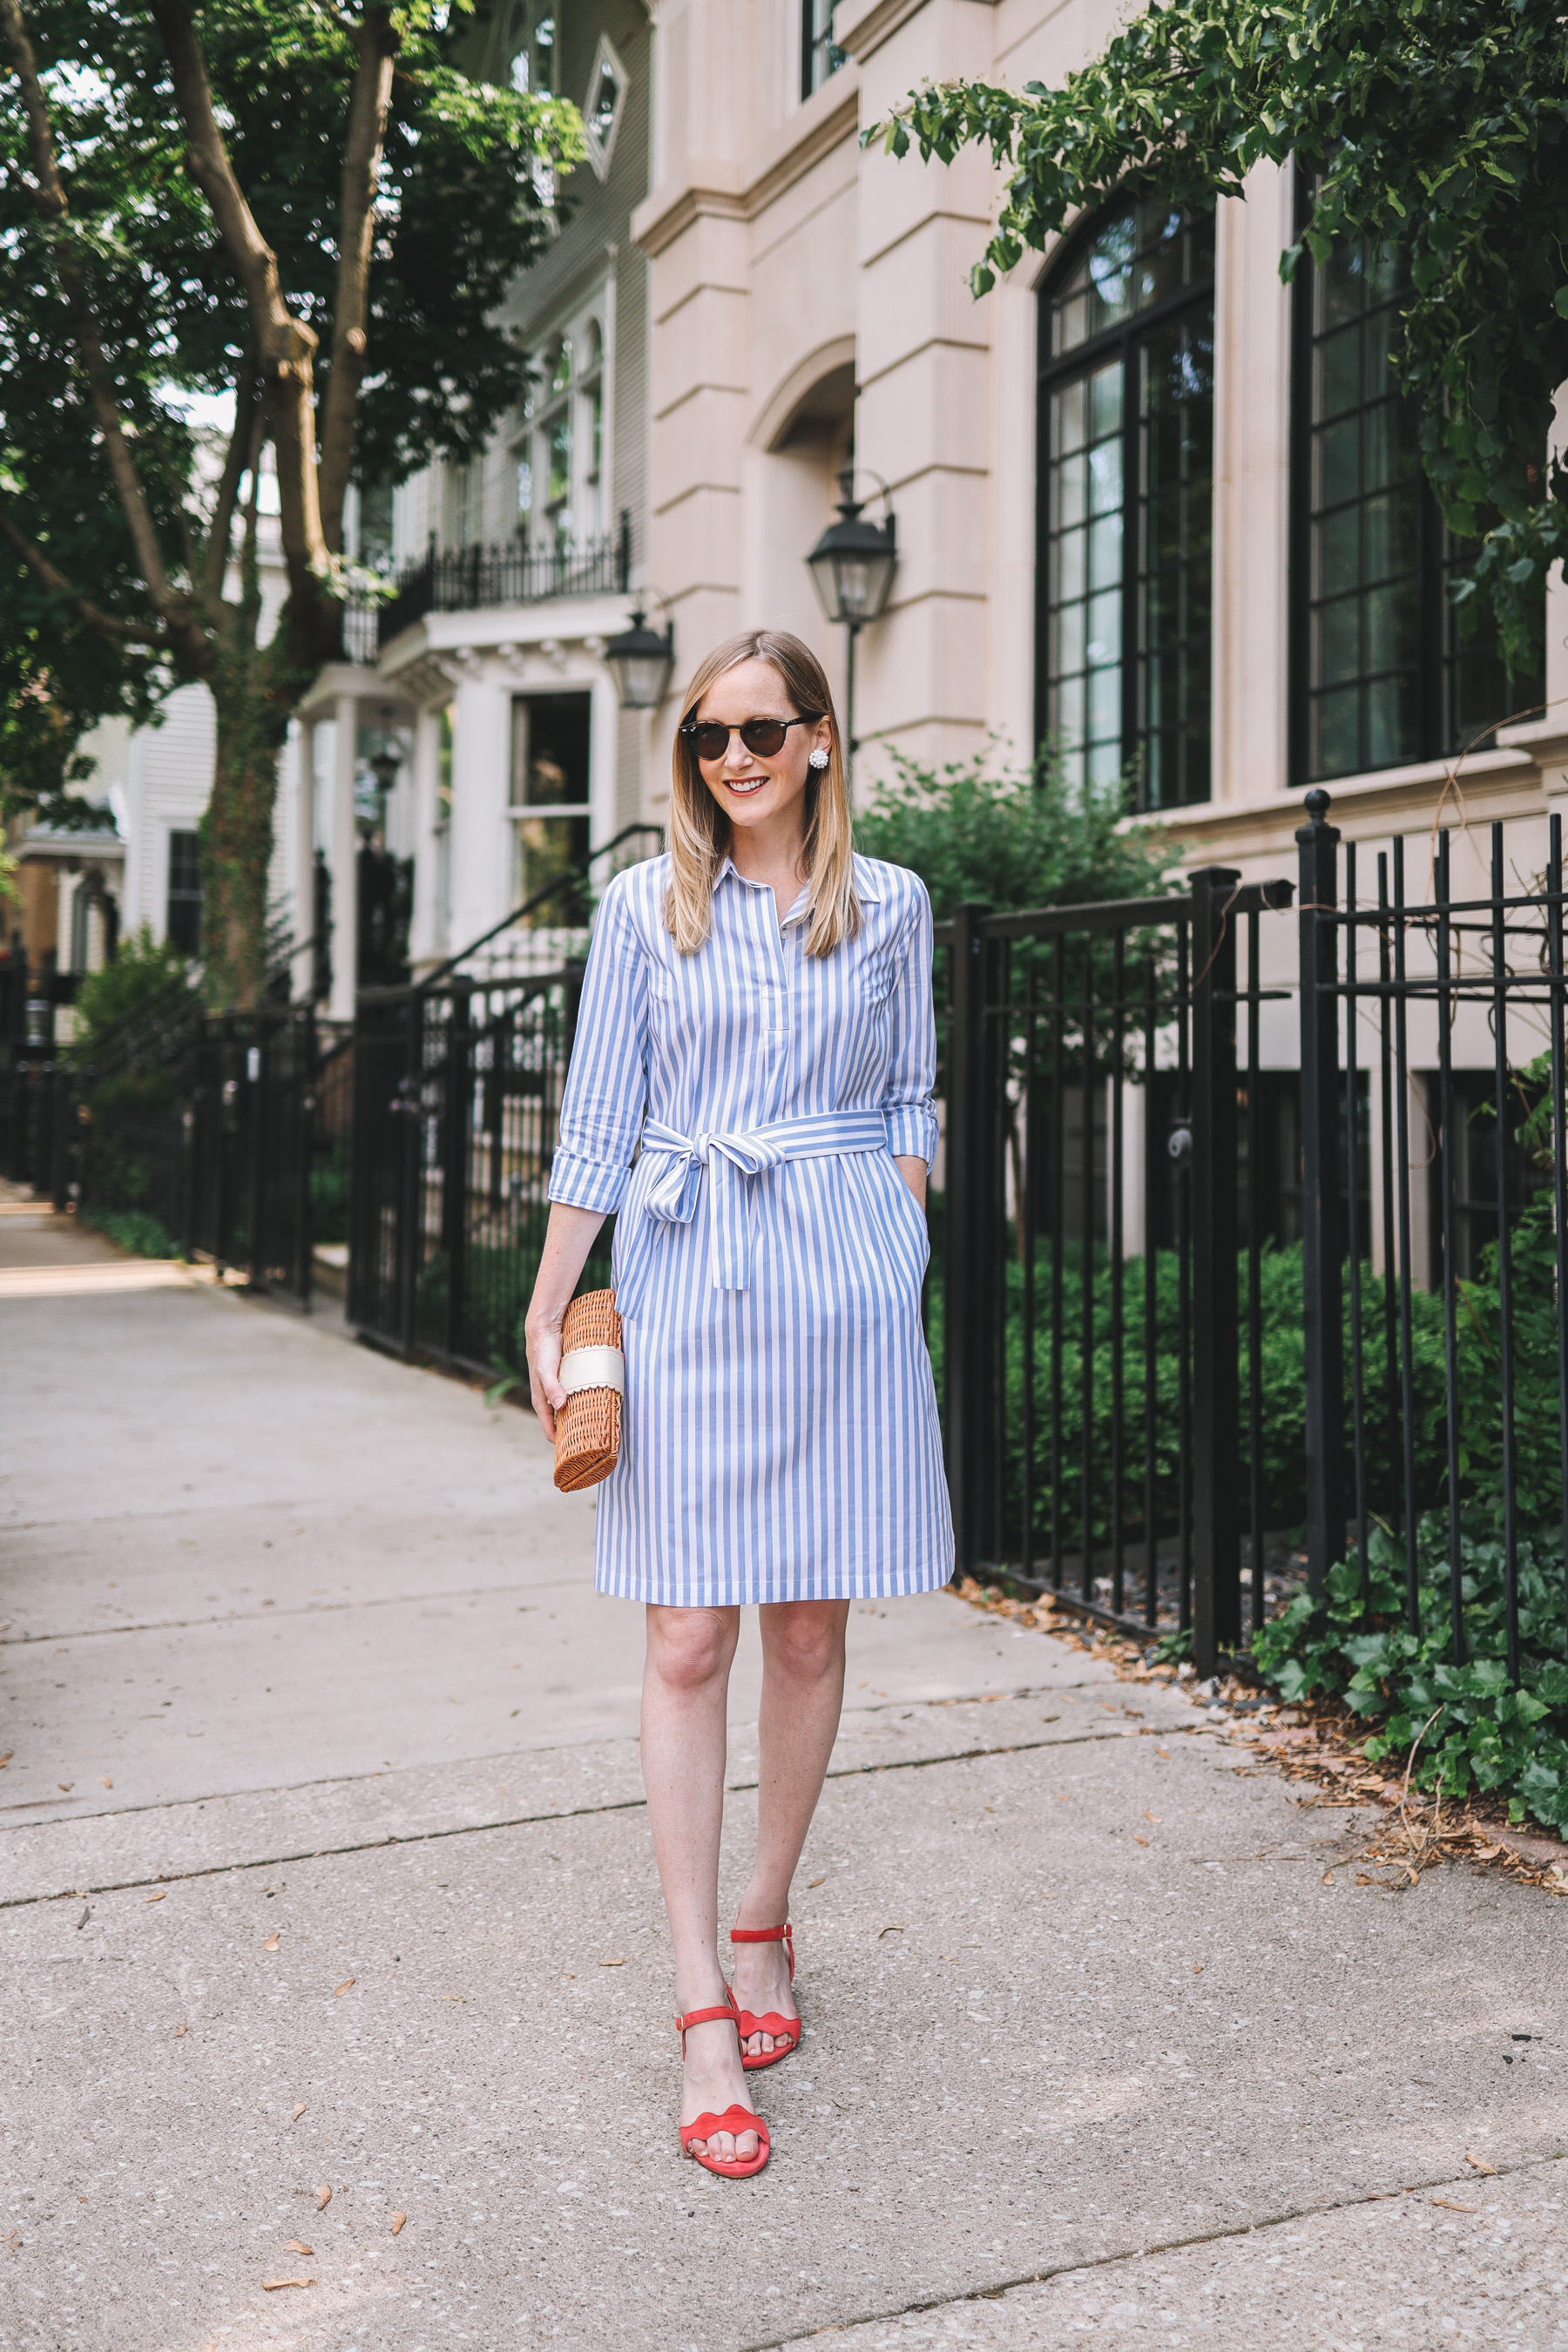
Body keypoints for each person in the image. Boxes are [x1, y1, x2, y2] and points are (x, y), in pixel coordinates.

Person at [525, 629, 953, 2179]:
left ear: (823, 738)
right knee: (688, 1629)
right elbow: (601, 1111)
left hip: (839, 1281)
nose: (733, 758)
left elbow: (913, 1091)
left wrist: (895, 1238)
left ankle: (768, 1912)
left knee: (809, 1626)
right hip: (690, 1270)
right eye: (708, 735)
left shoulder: (891, 904)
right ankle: (704, 2000)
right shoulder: (647, 906)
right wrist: (551, 1290)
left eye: (761, 729)